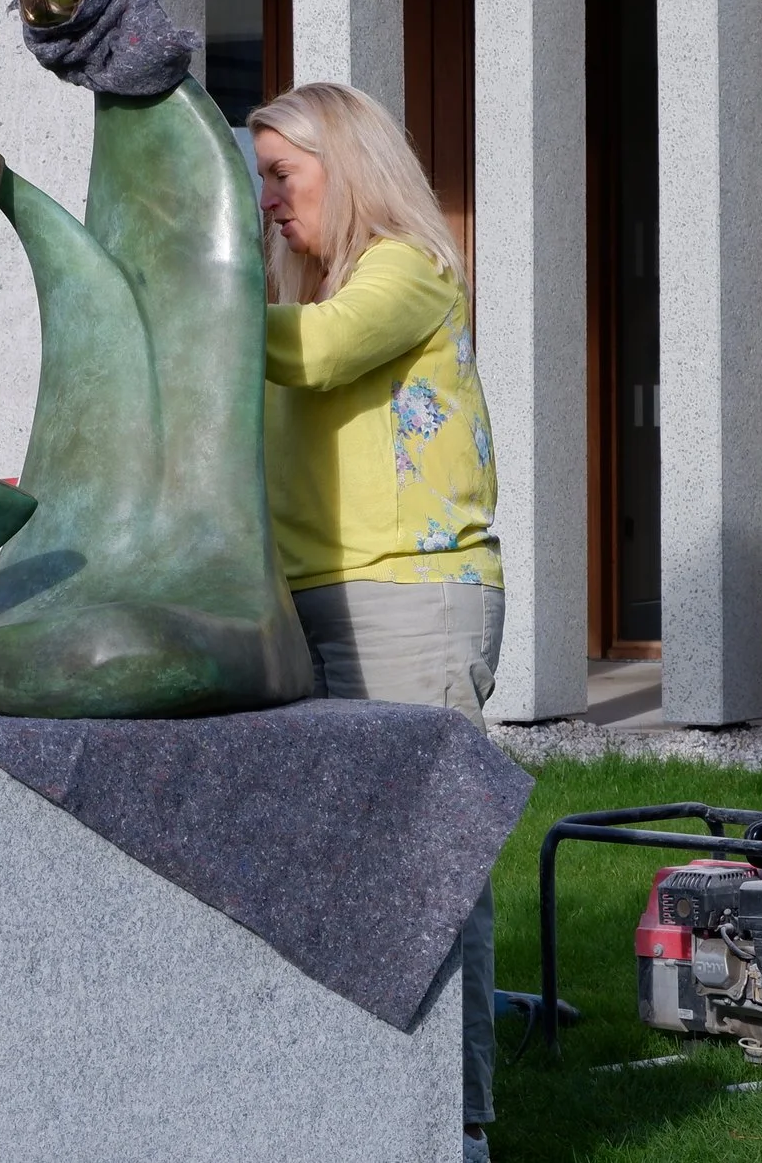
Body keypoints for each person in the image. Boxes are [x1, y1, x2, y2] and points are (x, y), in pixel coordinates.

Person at [249, 80, 505, 1163]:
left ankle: (458, 1123)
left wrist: (183, 295)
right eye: (257, 174)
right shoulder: (293, 300)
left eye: (280, 173)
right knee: (346, 864)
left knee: (428, 858)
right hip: (313, 602)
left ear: (342, 167)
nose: (263, 197)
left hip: (411, 598)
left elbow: (314, 354)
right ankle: (359, 1108)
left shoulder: (407, 269)